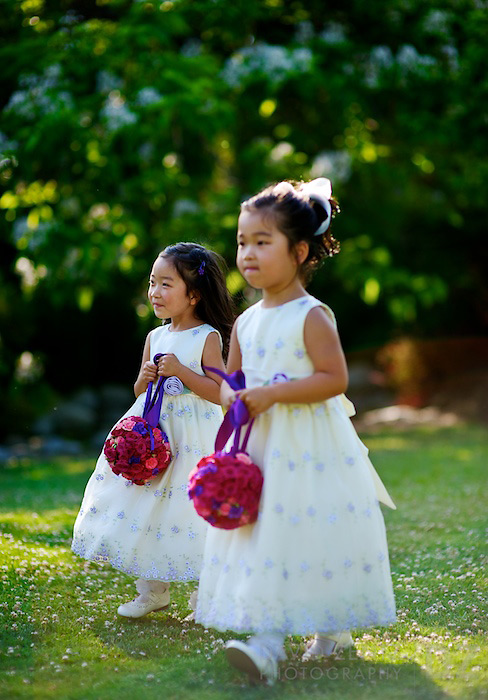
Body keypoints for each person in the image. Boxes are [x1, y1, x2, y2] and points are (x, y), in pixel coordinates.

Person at [194, 179, 396, 684]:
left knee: (307, 530)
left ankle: (319, 628)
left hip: (308, 446)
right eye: (242, 242)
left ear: (299, 250)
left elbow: (334, 379)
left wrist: (274, 394)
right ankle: (265, 640)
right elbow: (231, 381)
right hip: (261, 444)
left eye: (263, 242)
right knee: (263, 535)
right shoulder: (245, 323)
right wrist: (232, 398)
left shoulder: (311, 316)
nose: (248, 253)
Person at [72, 242, 234, 618]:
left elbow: (220, 393)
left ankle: (206, 593)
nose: (154, 292)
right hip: (155, 435)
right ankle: (152, 590)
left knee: (191, 510)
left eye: (166, 284)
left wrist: (183, 372)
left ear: (193, 295)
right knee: (147, 506)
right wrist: (143, 380)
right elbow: (142, 395)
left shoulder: (207, 337)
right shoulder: (155, 337)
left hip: (194, 438)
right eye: (152, 282)